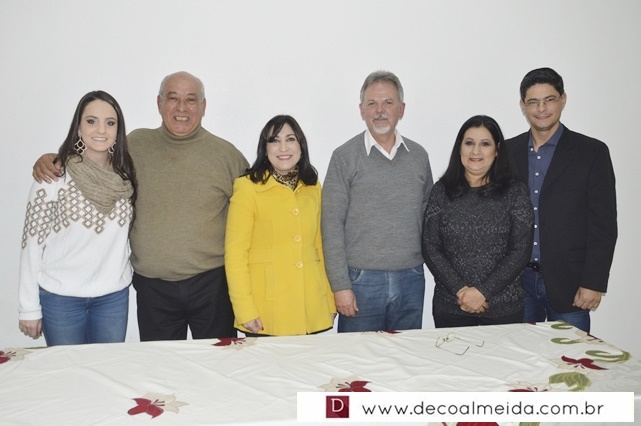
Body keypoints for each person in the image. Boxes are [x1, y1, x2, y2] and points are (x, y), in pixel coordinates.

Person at [32, 71, 249, 341]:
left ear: (203, 106)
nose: (182, 108)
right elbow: (92, 161)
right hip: (153, 289)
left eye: (191, 99)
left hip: (212, 285)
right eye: (173, 98)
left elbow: (257, 204)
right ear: (159, 103)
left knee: (218, 360)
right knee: (159, 365)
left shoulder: (227, 156)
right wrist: (54, 158)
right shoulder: (133, 146)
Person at [19, 90, 137, 345]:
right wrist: (28, 307)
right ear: (79, 127)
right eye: (91, 121)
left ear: (118, 130)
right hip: (61, 299)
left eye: (110, 123)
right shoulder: (53, 176)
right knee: (66, 369)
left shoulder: (125, 177)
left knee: (106, 368)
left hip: (113, 299)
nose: (101, 130)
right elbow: (31, 244)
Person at [505, 67, 617, 333]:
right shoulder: (507, 151)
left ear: (563, 100)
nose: (541, 109)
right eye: (533, 101)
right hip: (517, 284)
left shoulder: (592, 152)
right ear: (523, 106)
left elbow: (603, 224)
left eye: (549, 99)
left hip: (571, 284)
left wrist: (594, 282)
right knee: (520, 356)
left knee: (570, 357)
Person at [322, 70, 433, 332]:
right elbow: (331, 225)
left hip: (411, 278)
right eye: (372, 103)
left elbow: (430, 217)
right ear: (362, 110)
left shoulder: (418, 156)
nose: (380, 111)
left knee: (405, 353)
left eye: (388, 103)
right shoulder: (344, 157)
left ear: (401, 109)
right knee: (357, 355)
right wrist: (340, 286)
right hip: (360, 281)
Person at [225, 115, 336, 336]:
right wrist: (244, 310)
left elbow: (320, 249)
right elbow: (235, 255)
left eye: (290, 139)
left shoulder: (313, 188)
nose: (283, 147)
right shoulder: (247, 188)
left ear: (301, 146)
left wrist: (329, 301)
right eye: (274, 140)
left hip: (310, 304)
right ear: (265, 149)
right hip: (266, 311)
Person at [421, 115, 534, 328]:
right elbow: (430, 246)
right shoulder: (441, 191)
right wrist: (460, 290)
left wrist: (483, 292)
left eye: (485, 144)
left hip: (503, 310)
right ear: (460, 148)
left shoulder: (515, 192)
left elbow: (520, 250)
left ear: (497, 150)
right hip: (451, 308)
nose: (476, 151)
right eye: (469, 143)